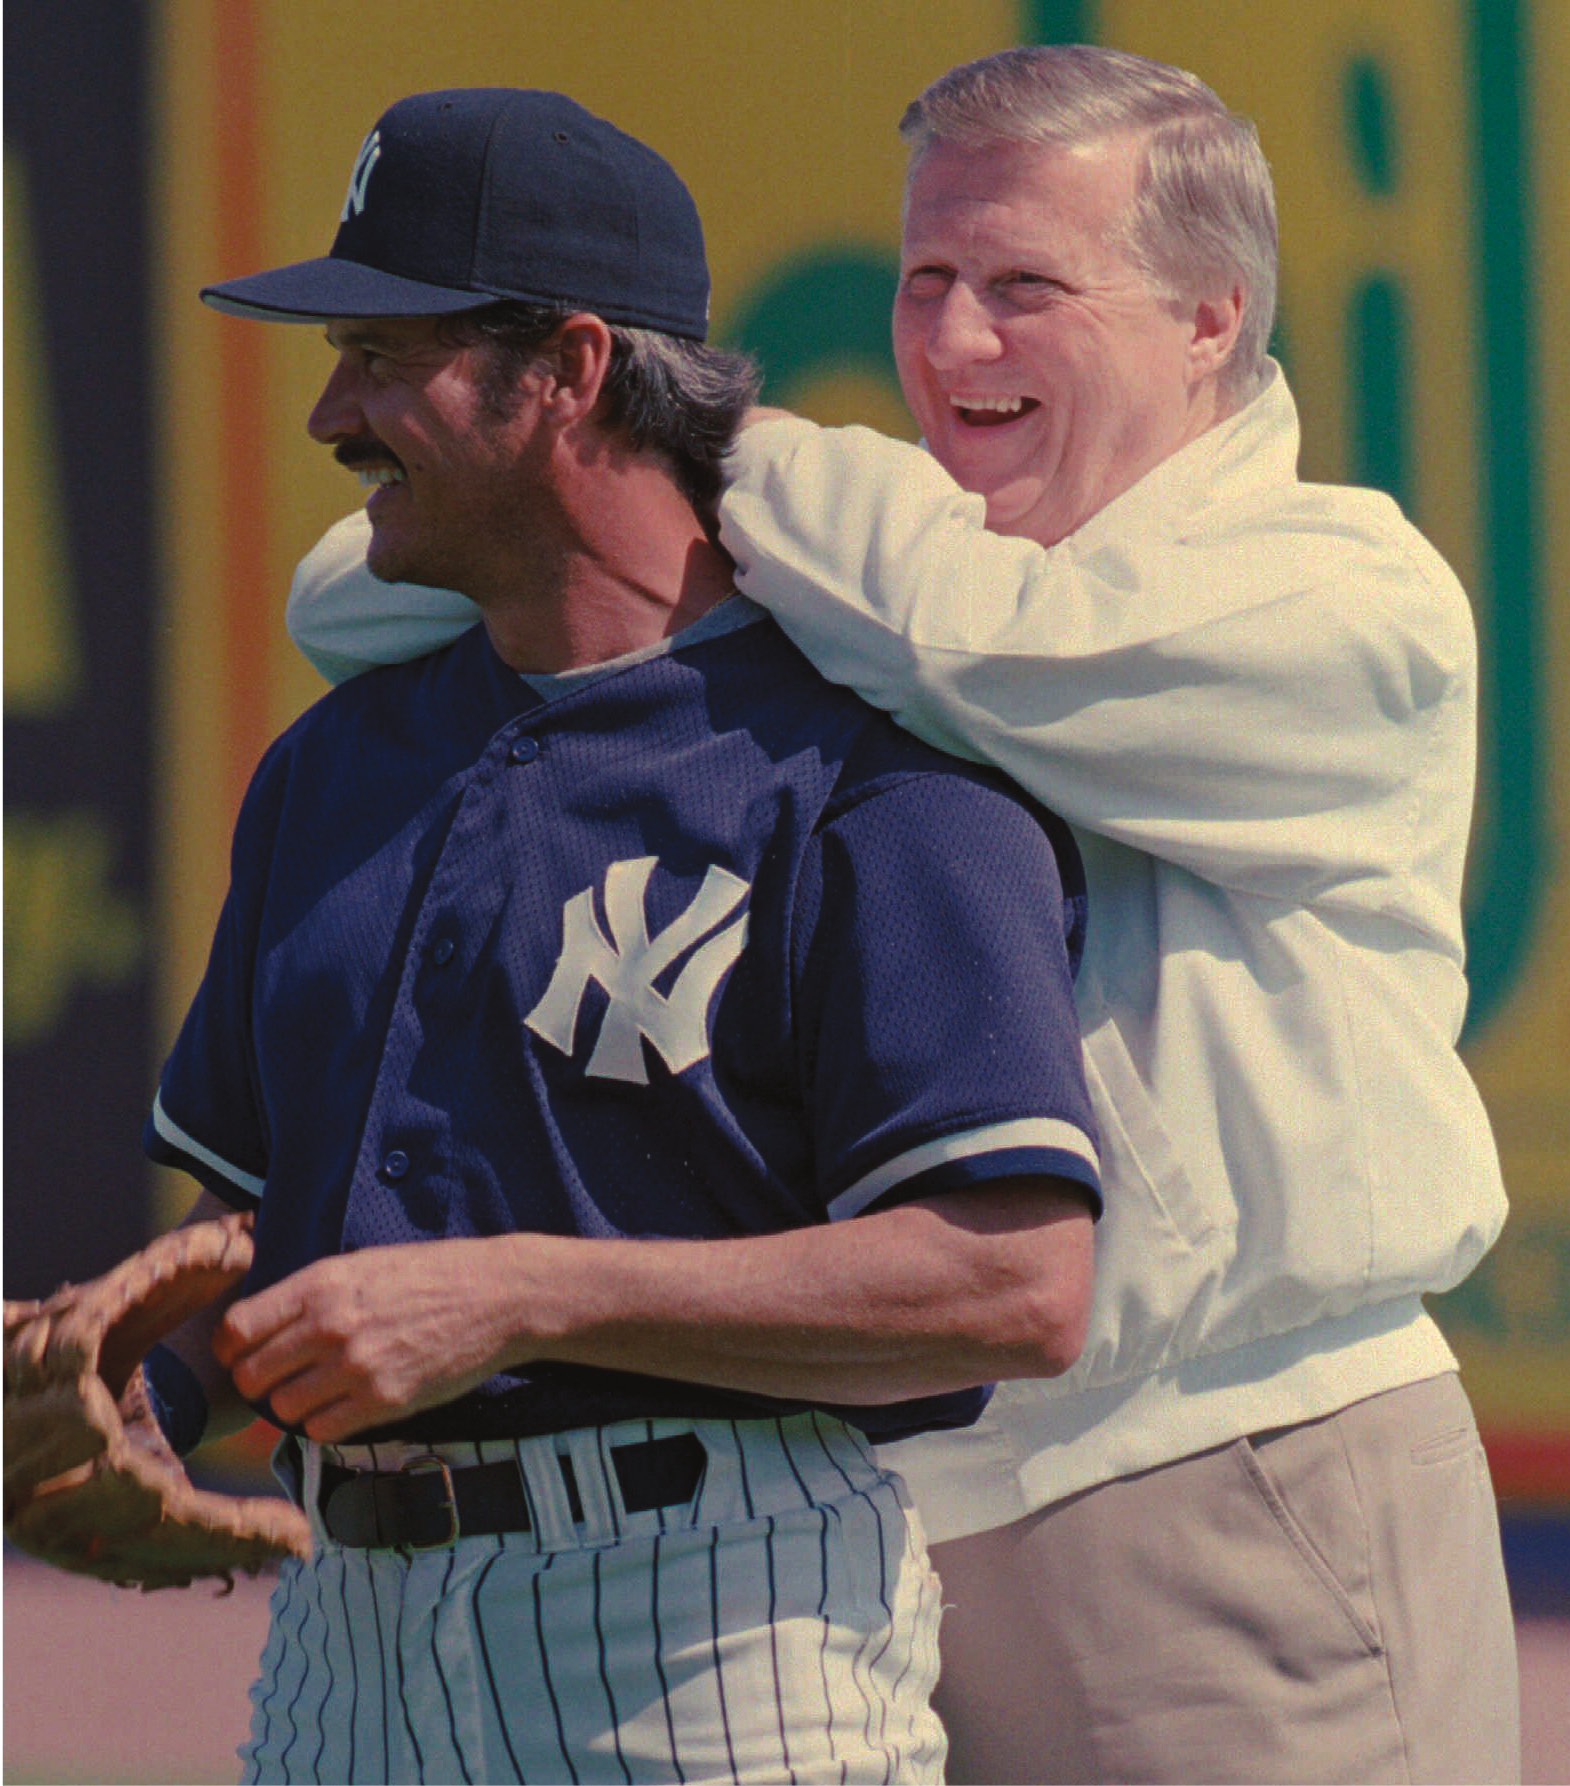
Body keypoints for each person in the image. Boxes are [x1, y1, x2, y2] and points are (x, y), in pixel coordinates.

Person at [286, 47, 1519, 1786]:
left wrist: (682, 447)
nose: (948, 347)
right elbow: (364, 597)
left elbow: (990, 647)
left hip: (1237, 1483)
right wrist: (612, 492)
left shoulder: (1339, 591)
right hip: (902, 1521)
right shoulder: (870, 562)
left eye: (1024, 288)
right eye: (925, 280)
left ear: (1206, 320)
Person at [146, 85, 1104, 1786]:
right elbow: (259, 1224)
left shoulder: (861, 780)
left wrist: (524, 1296)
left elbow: (1011, 1278)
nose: (327, 413)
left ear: (570, 369)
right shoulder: (338, 765)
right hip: (338, 1637)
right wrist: (114, 1386)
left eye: (380, 354)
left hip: (706, 1626)